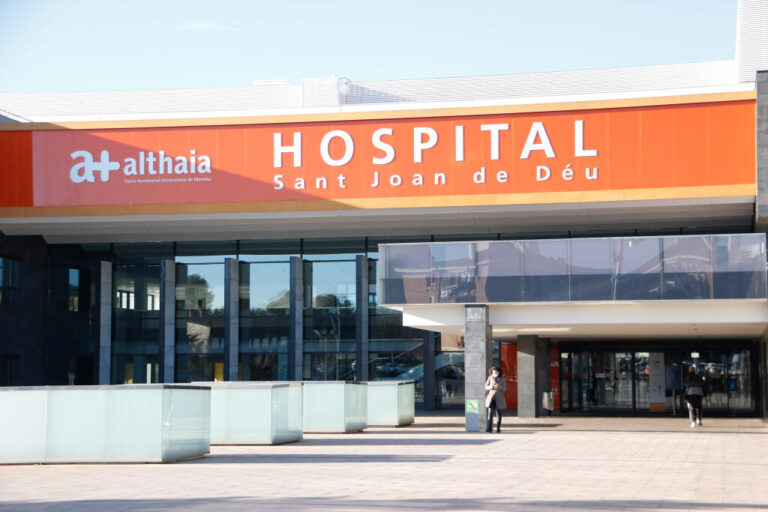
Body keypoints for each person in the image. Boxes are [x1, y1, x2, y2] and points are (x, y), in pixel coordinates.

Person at [484, 366, 506, 433]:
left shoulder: (502, 379)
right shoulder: (490, 377)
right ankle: (489, 428)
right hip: (491, 398)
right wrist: (492, 386)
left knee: (498, 414)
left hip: (499, 399)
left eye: (496, 372)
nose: (495, 373)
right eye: (494, 372)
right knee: (490, 413)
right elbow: (486, 386)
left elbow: (504, 389)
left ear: (499, 372)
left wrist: (498, 387)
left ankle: (498, 428)